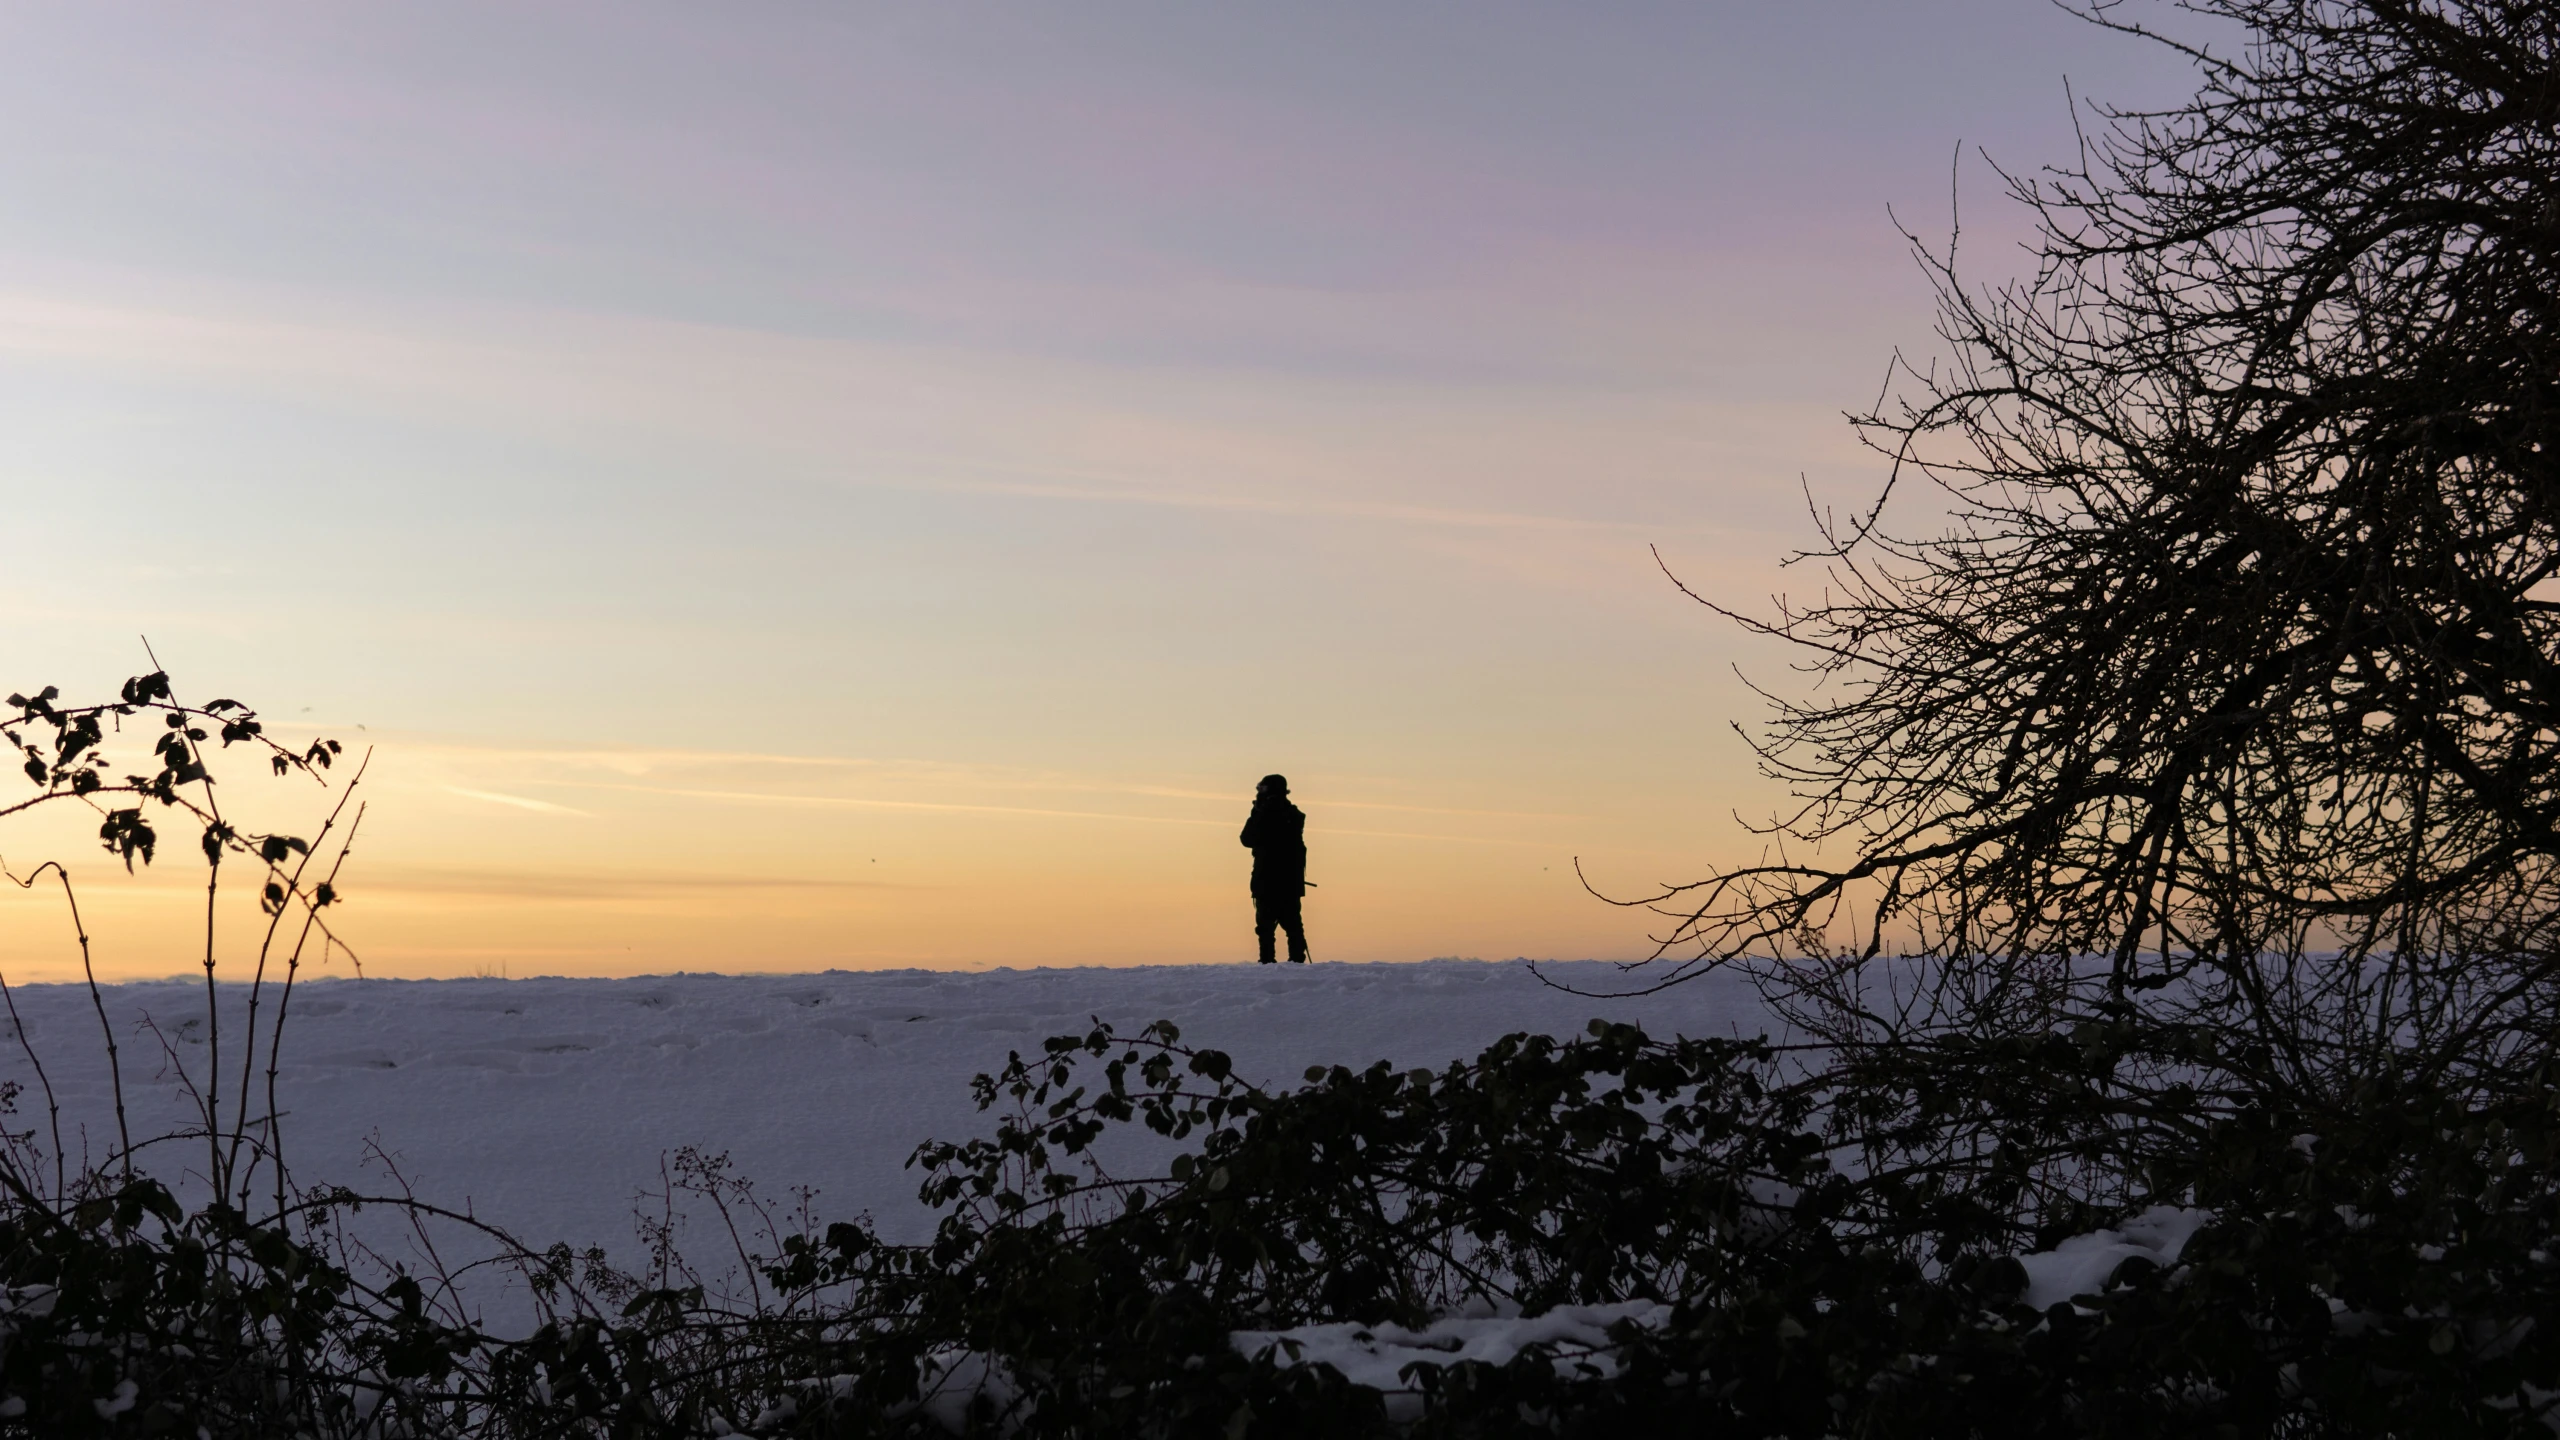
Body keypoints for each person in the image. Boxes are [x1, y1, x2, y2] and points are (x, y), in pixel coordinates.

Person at [1239, 773, 1308, 963]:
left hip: (1267, 881)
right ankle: (1296, 963)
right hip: (1289, 882)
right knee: (1293, 926)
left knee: (1266, 928)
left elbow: (1246, 839)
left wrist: (1257, 811)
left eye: (1261, 788)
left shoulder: (1265, 814)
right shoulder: (1294, 816)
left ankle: (1267, 964)